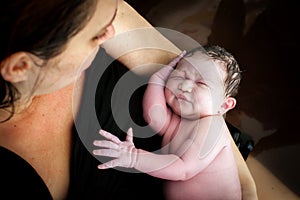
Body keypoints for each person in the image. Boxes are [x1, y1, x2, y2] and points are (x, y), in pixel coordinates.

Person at [0, 0, 256, 199]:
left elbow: (203, 75)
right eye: (95, 35)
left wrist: (245, 184)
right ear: (21, 66)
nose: (110, 32)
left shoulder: (85, 9)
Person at [93, 45, 249, 199]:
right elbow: (154, 118)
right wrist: (158, 79)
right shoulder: (180, 120)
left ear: (224, 105)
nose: (185, 86)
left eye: (201, 84)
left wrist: (134, 157)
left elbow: (183, 168)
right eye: (180, 75)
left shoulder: (212, 126)